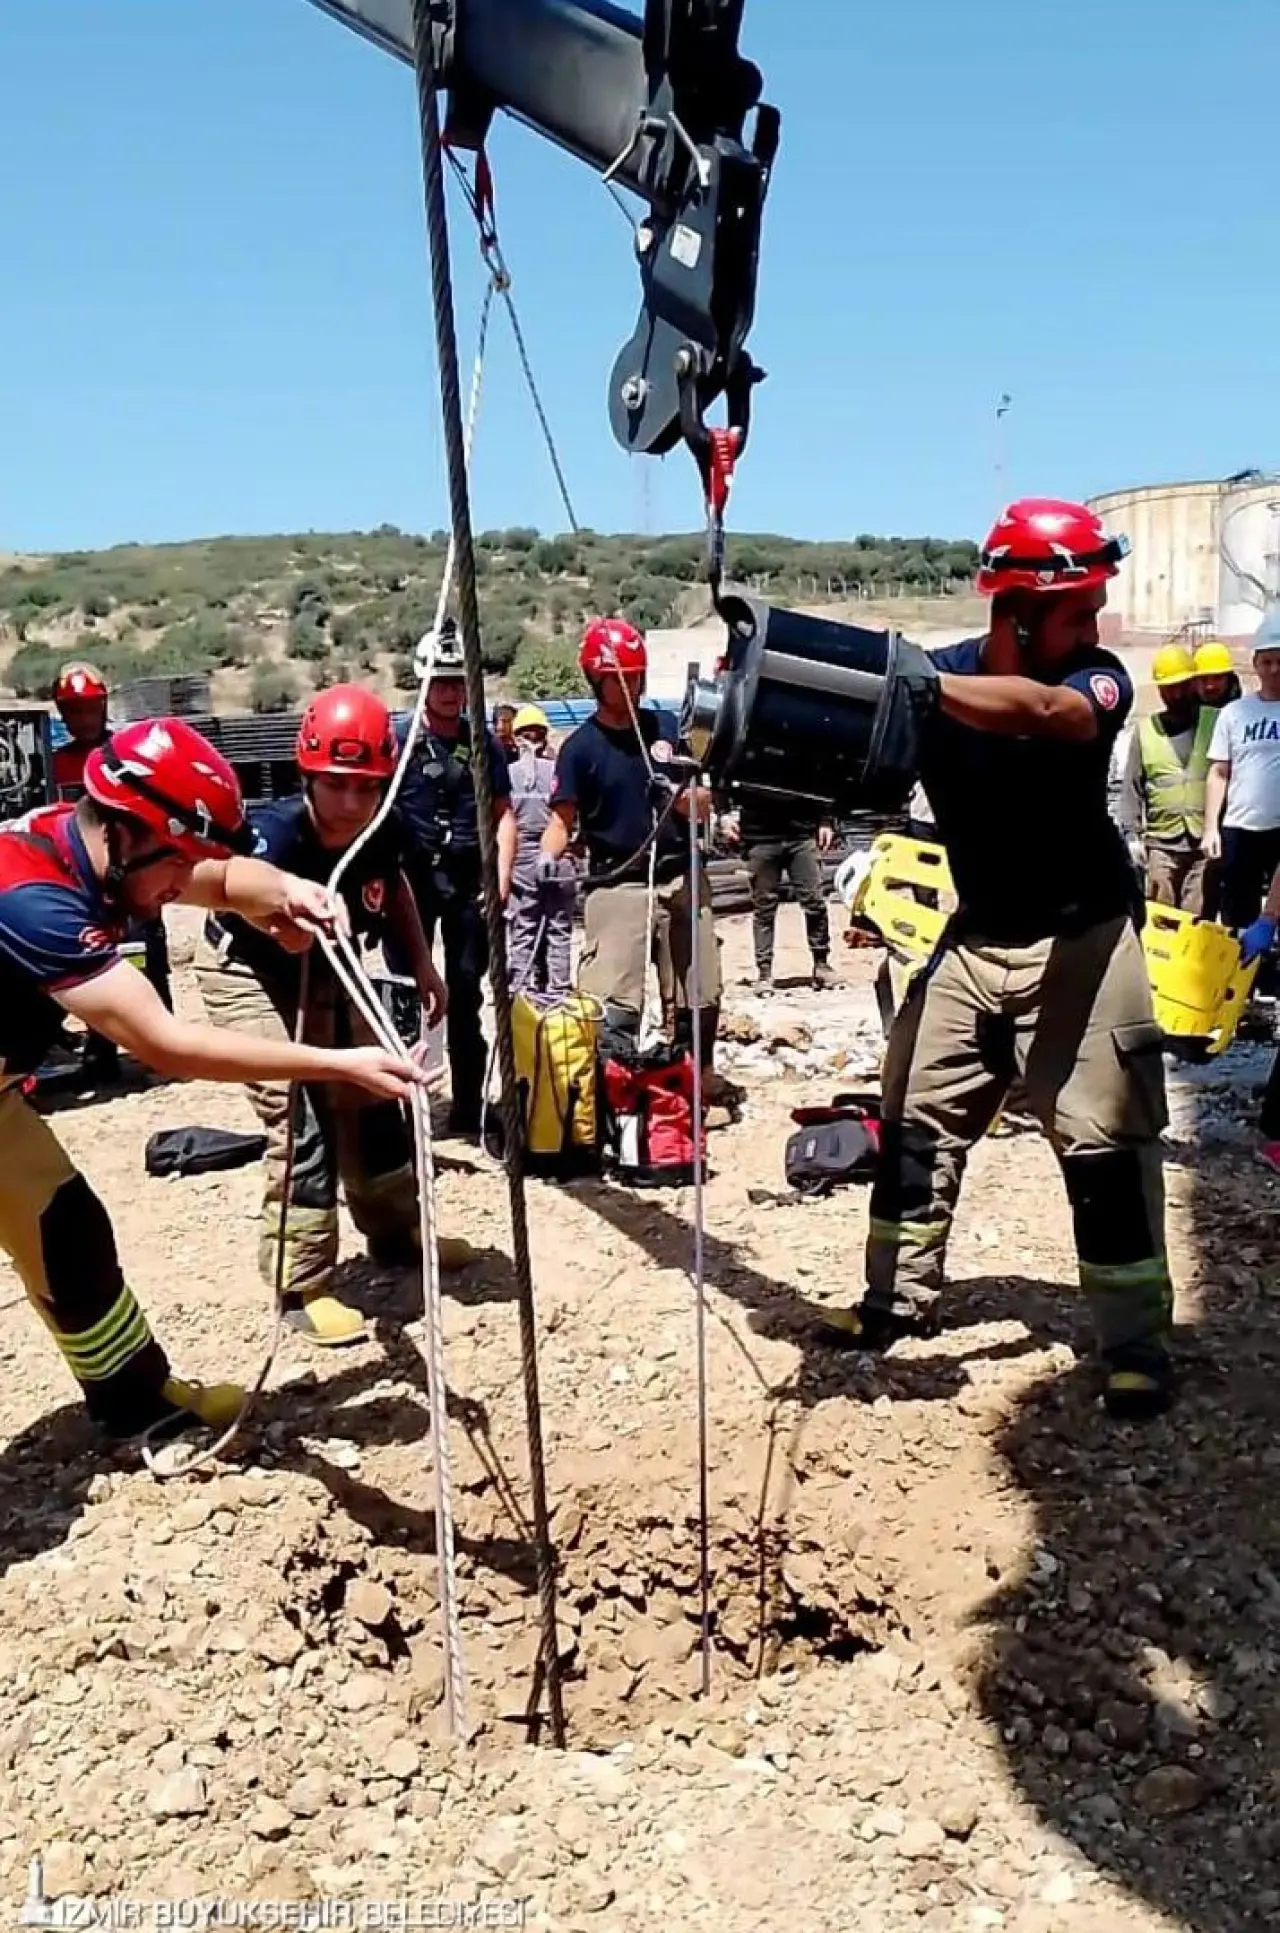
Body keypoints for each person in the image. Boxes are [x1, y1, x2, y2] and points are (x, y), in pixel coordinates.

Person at [819, 498, 1174, 1420]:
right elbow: (857, 755)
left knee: (1105, 1143)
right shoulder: (935, 683)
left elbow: (1046, 713)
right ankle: (895, 1300)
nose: (1095, 626)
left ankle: (1136, 1344)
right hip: (977, 939)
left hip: (1084, 941)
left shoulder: (1093, 679)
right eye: (1079, 608)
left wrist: (925, 690)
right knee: (912, 1120)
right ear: (1016, 611)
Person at [0, 716, 428, 1444]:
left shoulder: (101, 848)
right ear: (131, 833)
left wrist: (292, 890)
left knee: (67, 1232)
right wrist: (337, 1063)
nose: (177, 889)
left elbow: (225, 878)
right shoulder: (31, 897)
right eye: (174, 866)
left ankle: (134, 1398)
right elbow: (168, 1043)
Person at [197, 685, 471, 1348]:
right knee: (302, 1113)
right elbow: (226, 885)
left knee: (375, 1093)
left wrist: (423, 965)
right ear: (309, 776)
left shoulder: (383, 825)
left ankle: (395, 1232)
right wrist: (274, 919)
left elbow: (396, 884)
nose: (351, 803)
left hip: (328, 966)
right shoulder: (274, 831)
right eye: (337, 786)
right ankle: (302, 1284)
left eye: (365, 787)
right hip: (249, 972)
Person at [540, 617, 737, 1110]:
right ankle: (614, 1092)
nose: (629, 685)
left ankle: (695, 1080)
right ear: (595, 679)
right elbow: (562, 819)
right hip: (619, 881)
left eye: (635, 675)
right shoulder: (580, 750)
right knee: (613, 997)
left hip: (680, 872)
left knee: (700, 989)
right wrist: (546, 857)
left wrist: (675, 796)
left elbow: (704, 800)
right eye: (618, 678)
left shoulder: (668, 729)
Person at [390, 622, 517, 1139]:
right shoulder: (397, 741)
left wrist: (501, 879)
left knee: (465, 996)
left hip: (468, 884)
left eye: (457, 681)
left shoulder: (482, 743)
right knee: (407, 997)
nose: (449, 691)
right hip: (410, 887)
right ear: (422, 680)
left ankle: (467, 1107)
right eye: (440, 681)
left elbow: (503, 812)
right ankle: (407, 1109)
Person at [50, 661, 174, 1072]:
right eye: (72, 709)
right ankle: (100, 1050)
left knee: (145, 954)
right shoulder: (54, 764)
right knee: (90, 963)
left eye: (88, 708)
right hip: (79, 879)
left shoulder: (125, 756)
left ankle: (161, 1048)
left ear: (102, 706)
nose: (81, 718)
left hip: (131, 876)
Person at [1116, 642, 1214, 914]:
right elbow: (1131, 788)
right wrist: (1131, 834)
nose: (1177, 694)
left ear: (1194, 683)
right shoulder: (1145, 731)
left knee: (1198, 919)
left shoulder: (1216, 723)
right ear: (1160, 690)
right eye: (1169, 687)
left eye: (1183, 685)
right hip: (1162, 843)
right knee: (1162, 917)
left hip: (1204, 843)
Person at [1203, 616, 1280, 930]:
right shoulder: (1235, 713)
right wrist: (1211, 828)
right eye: (1267, 661)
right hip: (1241, 828)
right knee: (1237, 915)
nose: (1274, 669)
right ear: (1256, 664)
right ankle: (1240, 975)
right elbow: (1219, 772)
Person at [731, 794, 837, 990]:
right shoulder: (746, 761)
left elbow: (821, 780)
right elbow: (725, 780)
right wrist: (724, 815)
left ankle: (821, 964)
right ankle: (764, 973)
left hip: (801, 836)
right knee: (764, 908)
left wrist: (826, 820)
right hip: (760, 838)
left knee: (815, 902)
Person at [506, 704, 574, 1001]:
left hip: (521, 859)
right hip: (559, 856)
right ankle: (558, 991)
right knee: (559, 930)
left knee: (524, 928)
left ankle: (522, 993)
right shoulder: (559, 772)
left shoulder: (507, 775)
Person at [1194, 639, 1242, 711]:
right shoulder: (1185, 712)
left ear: (1229, 680)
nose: (1210, 686)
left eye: (1217, 678)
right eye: (1204, 679)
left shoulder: (1244, 716)